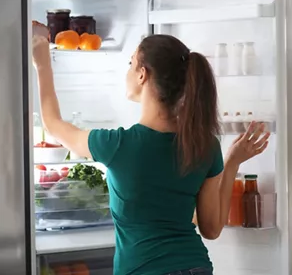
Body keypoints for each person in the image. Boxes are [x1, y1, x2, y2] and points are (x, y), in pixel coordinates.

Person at [31, 34, 270, 275]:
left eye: (130, 63)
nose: (127, 71)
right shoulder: (205, 144)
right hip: (195, 267)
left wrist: (42, 62)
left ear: (142, 74)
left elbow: (53, 124)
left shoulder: (117, 144)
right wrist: (231, 164)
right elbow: (212, 229)